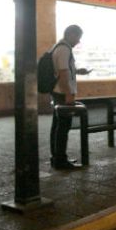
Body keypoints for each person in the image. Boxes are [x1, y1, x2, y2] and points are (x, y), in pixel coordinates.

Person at [50, 25, 92, 170]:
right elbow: (63, 73)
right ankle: (60, 160)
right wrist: (68, 94)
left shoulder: (59, 47)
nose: (78, 41)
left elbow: (65, 70)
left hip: (59, 92)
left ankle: (56, 157)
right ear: (71, 34)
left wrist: (77, 71)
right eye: (78, 37)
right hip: (62, 93)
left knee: (57, 126)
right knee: (63, 127)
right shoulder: (64, 49)